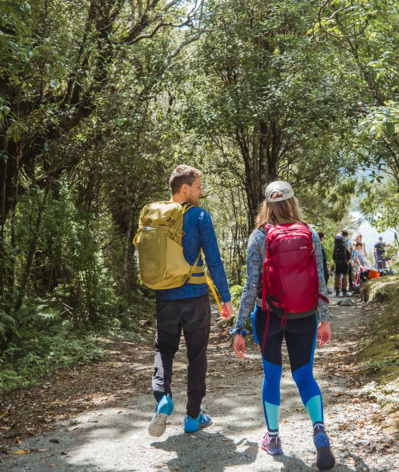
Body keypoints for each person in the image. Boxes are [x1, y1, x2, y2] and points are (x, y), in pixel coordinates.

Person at [230, 181, 335, 470]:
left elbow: (251, 286)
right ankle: (319, 431)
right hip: (305, 316)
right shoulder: (310, 233)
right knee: (304, 375)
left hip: (269, 316)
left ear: (266, 206)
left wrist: (240, 328)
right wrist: (324, 319)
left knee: (272, 375)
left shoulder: (259, 236)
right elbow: (321, 280)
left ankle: (273, 439)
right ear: (293, 203)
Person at [146, 165, 234, 437]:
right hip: (195, 298)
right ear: (185, 188)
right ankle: (193, 417)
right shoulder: (200, 216)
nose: (201, 191)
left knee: (164, 349)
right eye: (198, 186)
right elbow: (213, 260)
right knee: (197, 356)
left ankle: (162, 398)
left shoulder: (157, 215)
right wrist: (226, 298)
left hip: (165, 297)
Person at [332, 230, 351, 297]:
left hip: (338, 262)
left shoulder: (336, 243)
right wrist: (347, 260)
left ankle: (337, 291)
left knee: (338, 275)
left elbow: (333, 254)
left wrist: (336, 260)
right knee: (345, 276)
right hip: (345, 262)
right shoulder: (346, 241)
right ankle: (344, 291)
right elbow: (348, 252)